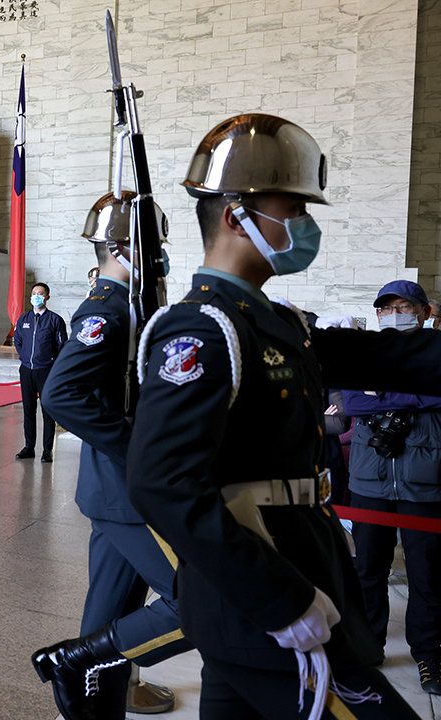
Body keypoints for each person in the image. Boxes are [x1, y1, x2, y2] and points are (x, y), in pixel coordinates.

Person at [126, 112, 427, 718]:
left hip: (291, 575)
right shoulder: (203, 330)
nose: (306, 226)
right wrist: (279, 600)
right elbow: (161, 484)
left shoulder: (272, 319)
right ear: (238, 216)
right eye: (294, 210)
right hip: (269, 598)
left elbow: (395, 355)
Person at [31, 193, 188, 720]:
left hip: (117, 493)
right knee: (202, 603)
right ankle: (77, 668)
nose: (160, 254)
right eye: (153, 244)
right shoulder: (108, 308)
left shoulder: (132, 305)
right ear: (122, 247)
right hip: (129, 492)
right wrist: (141, 452)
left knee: (110, 615)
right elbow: (61, 395)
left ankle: (92, 707)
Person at [342, 280, 441, 695]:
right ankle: (368, 647)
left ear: (422, 311)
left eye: (404, 305)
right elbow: (352, 403)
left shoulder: (435, 350)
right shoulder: (365, 352)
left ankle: (431, 655)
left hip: (426, 483)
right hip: (370, 482)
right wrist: (414, 395)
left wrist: (387, 396)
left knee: (428, 575)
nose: (395, 313)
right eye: (387, 307)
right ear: (378, 313)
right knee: (368, 570)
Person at [12, 282, 67, 462]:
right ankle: (29, 447)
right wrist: (25, 357)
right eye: (34, 293)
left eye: (40, 293)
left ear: (47, 297)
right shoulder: (24, 319)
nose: (37, 296)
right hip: (27, 370)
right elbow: (18, 341)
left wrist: (53, 364)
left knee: (47, 410)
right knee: (29, 410)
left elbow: (62, 346)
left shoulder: (55, 320)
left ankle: (47, 450)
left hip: (46, 371)